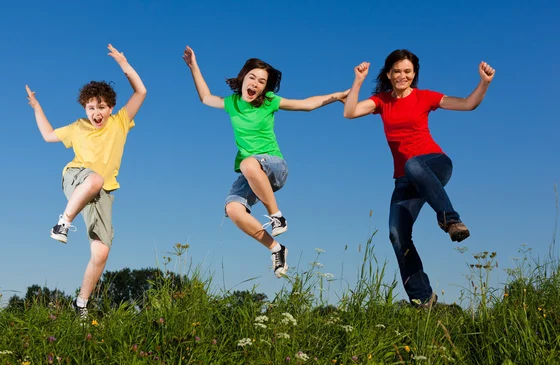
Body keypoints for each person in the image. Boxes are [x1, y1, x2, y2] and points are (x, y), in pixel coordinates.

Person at [343, 49, 495, 307]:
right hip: (405, 179)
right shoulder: (381, 101)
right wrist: (357, 81)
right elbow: (350, 112)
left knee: (414, 163)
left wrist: (484, 83)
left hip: (435, 164)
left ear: (414, 74)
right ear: (389, 74)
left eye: (408, 71)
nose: (402, 76)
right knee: (396, 234)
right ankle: (423, 299)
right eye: (397, 71)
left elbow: (468, 104)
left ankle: (451, 220)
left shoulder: (425, 97)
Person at [183, 46, 349, 278]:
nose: (256, 84)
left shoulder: (269, 101)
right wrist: (193, 66)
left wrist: (339, 95)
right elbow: (205, 97)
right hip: (252, 175)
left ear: (265, 87)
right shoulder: (231, 103)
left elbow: (307, 104)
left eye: (262, 82)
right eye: (252, 77)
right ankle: (276, 248)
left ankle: (276, 215)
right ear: (243, 78)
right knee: (233, 209)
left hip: (274, 166)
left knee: (248, 163)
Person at [25, 44, 147, 318]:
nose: (96, 113)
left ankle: (81, 304)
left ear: (111, 107)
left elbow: (141, 92)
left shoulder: (120, 122)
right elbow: (47, 135)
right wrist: (37, 107)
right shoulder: (77, 127)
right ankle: (62, 223)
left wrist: (124, 64)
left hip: (101, 190)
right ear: (85, 107)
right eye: (91, 107)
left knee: (101, 252)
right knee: (94, 179)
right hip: (76, 178)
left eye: (101, 107)